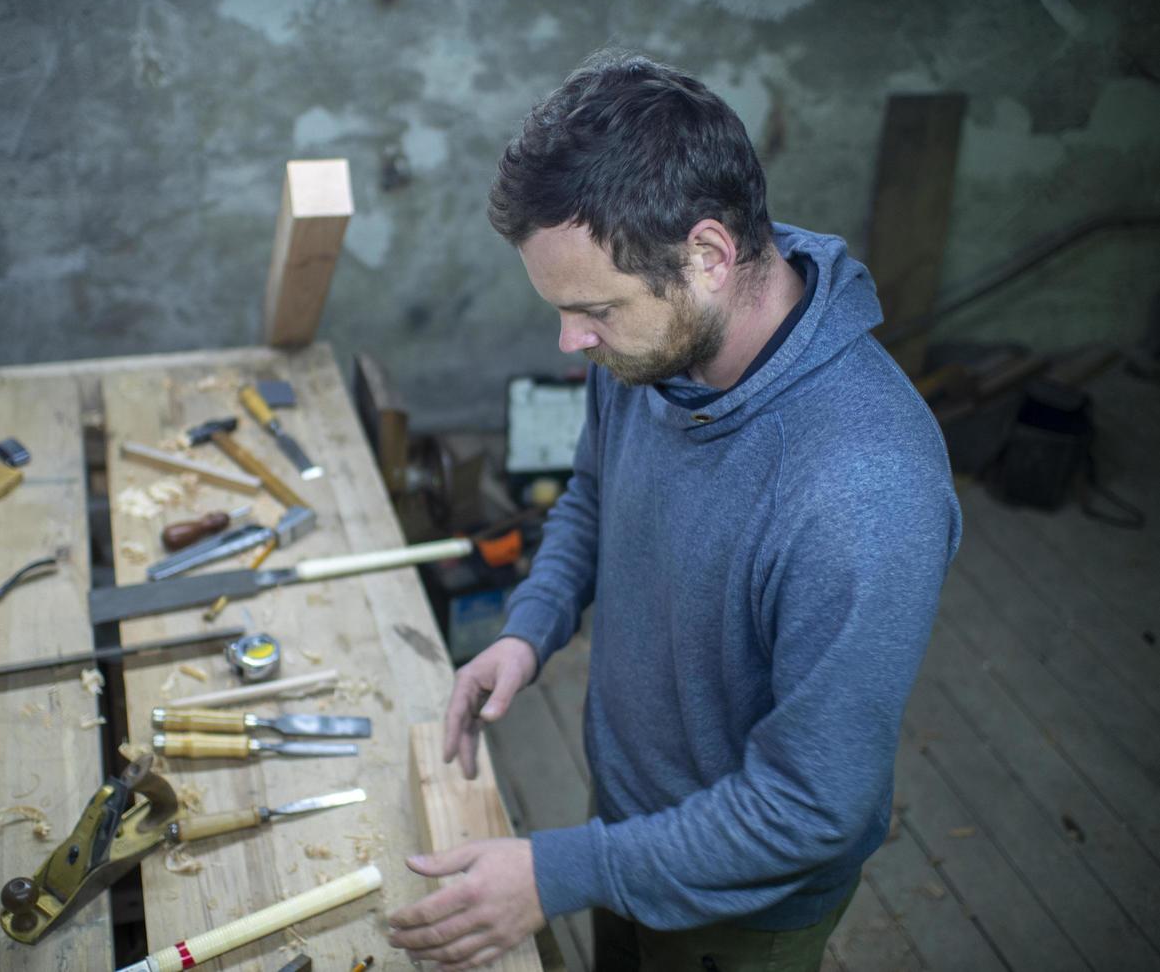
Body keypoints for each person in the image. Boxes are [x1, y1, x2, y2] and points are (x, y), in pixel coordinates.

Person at [387, 50, 962, 972]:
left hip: (745, 900)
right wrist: (529, 628)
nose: (571, 341)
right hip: (625, 823)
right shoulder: (651, 345)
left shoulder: (862, 491)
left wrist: (556, 872)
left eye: (594, 311)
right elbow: (593, 494)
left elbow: (811, 807)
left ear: (707, 254)